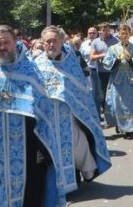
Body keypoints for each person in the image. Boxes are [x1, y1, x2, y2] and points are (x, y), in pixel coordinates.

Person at [0, 25, 66, 206]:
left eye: (6, 42)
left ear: (15, 43)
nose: (2, 47)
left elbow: (44, 109)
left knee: (31, 193)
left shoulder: (30, 71)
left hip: (28, 144)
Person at [35, 26, 111, 192]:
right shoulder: (36, 64)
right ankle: (58, 187)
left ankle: (82, 175)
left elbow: (80, 89)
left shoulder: (71, 62)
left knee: (76, 145)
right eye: (48, 41)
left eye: (54, 40)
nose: (51, 44)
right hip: (46, 118)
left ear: (62, 41)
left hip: (69, 115)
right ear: (43, 43)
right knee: (52, 153)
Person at [102, 24, 133, 138]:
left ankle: (130, 129)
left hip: (130, 80)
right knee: (117, 104)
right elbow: (106, 62)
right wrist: (116, 60)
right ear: (119, 34)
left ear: (130, 34)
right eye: (122, 33)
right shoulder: (113, 48)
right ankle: (119, 124)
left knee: (130, 104)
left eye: (126, 33)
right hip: (117, 80)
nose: (124, 35)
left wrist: (131, 60)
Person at [90, 22, 119, 119]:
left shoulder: (115, 40)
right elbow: (92, 57)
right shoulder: (96, 42)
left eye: (107, 30)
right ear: (100, 31)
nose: (105, 32)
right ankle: (108, 116)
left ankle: (114, 117)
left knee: (114, 94)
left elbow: (120, 54)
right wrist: (103, 55)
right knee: (103, 96)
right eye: (103, 30)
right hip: (101, 72)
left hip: (114, 71)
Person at [81, 27, 100, 107]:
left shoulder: (101, 43)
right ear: (87, 34)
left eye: (93, 33)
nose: (92, 34)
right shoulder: (84, 44)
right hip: (88, 71)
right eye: (90, 33)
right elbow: (81, 58)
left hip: (99, 70)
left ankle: (99, 115)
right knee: (91, 93)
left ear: (97, 34)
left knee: (99, 94)